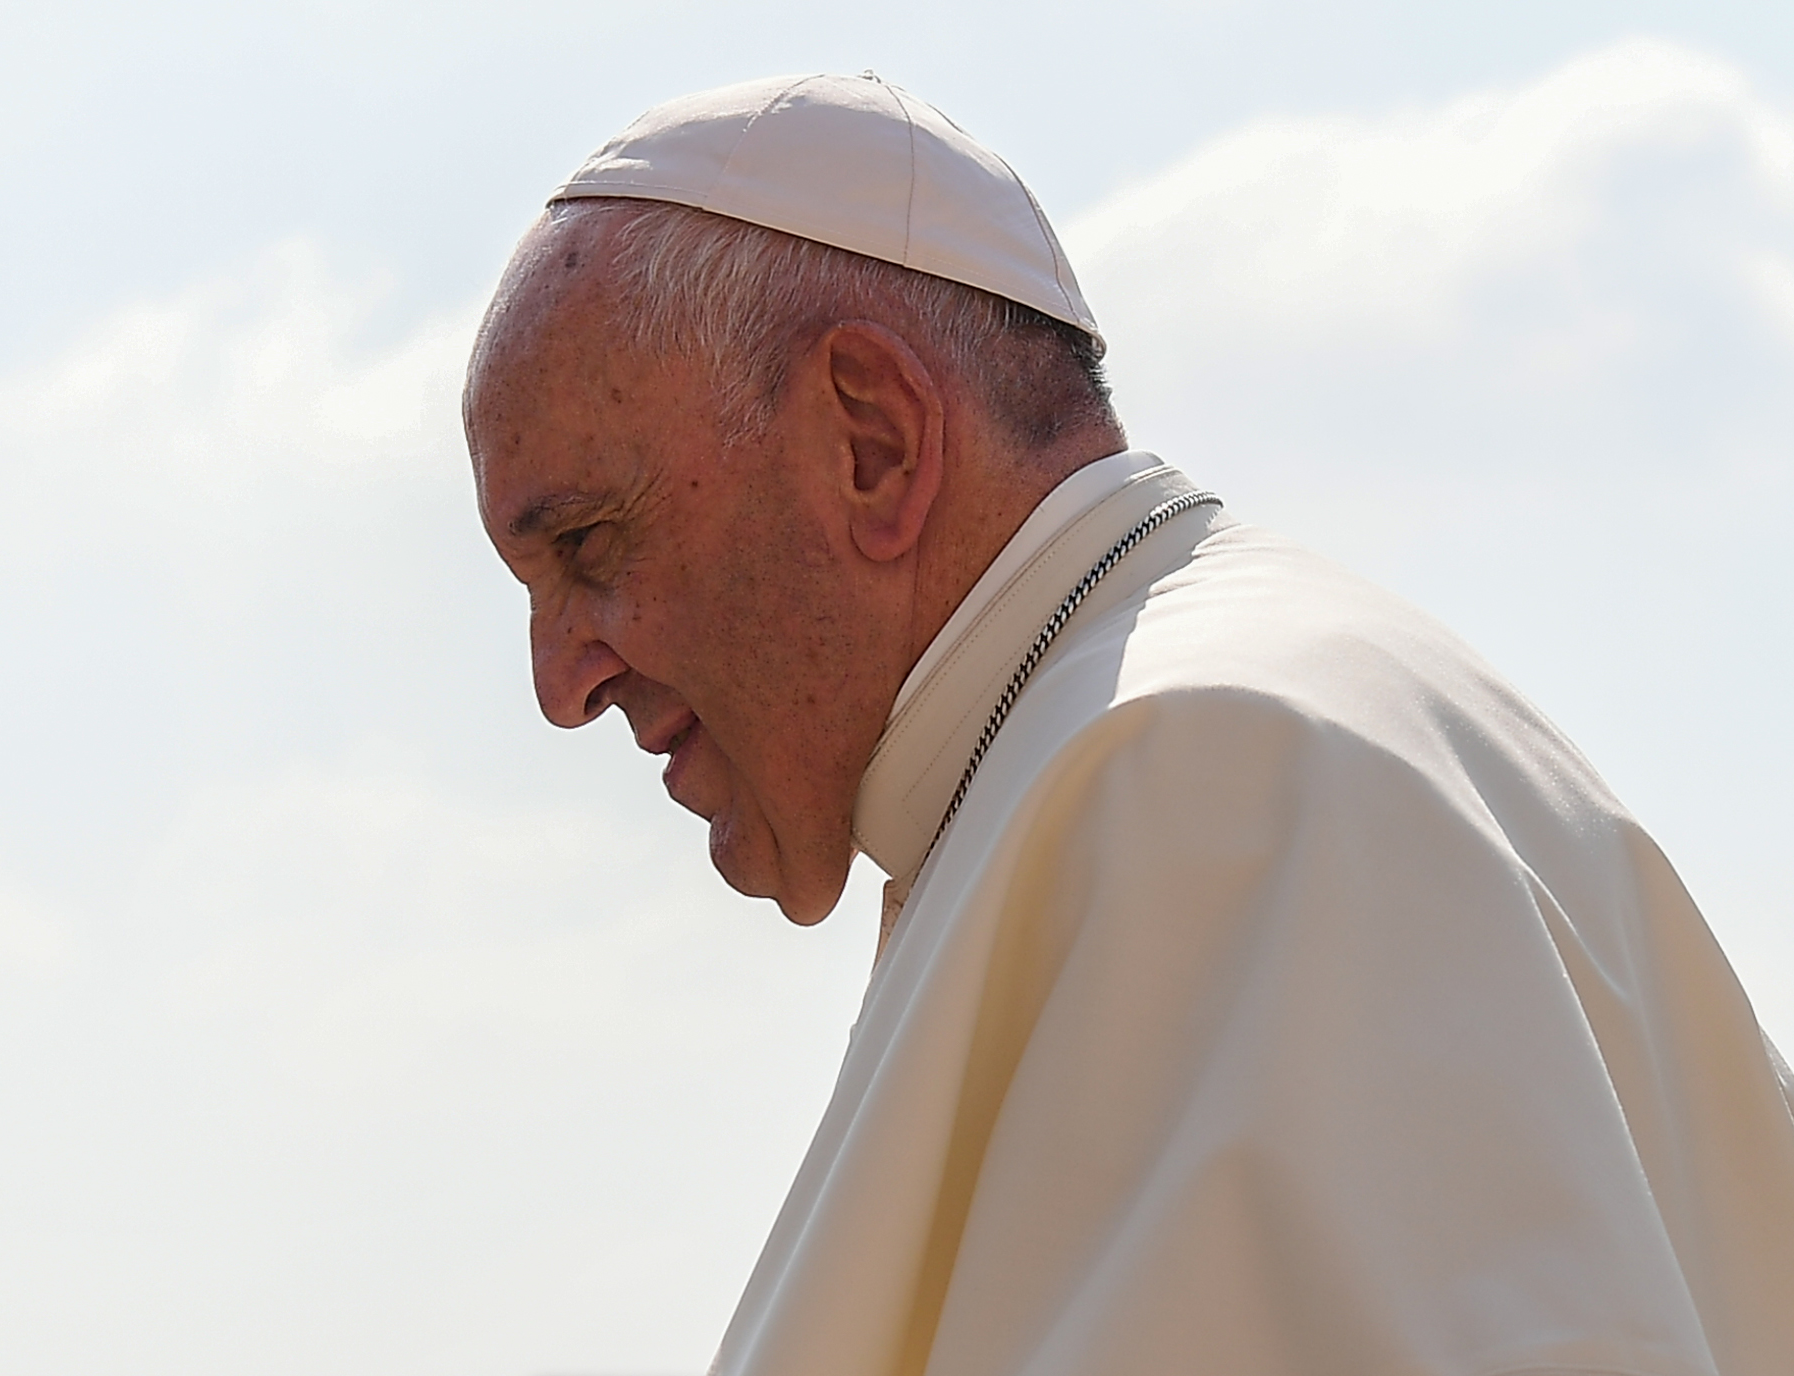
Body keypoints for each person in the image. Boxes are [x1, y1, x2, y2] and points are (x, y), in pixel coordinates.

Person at [462, 72, 1794, 1376]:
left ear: (870, 441)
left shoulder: (1211, 784)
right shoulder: (1203, 728)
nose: (560, 684)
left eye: (588, 543)